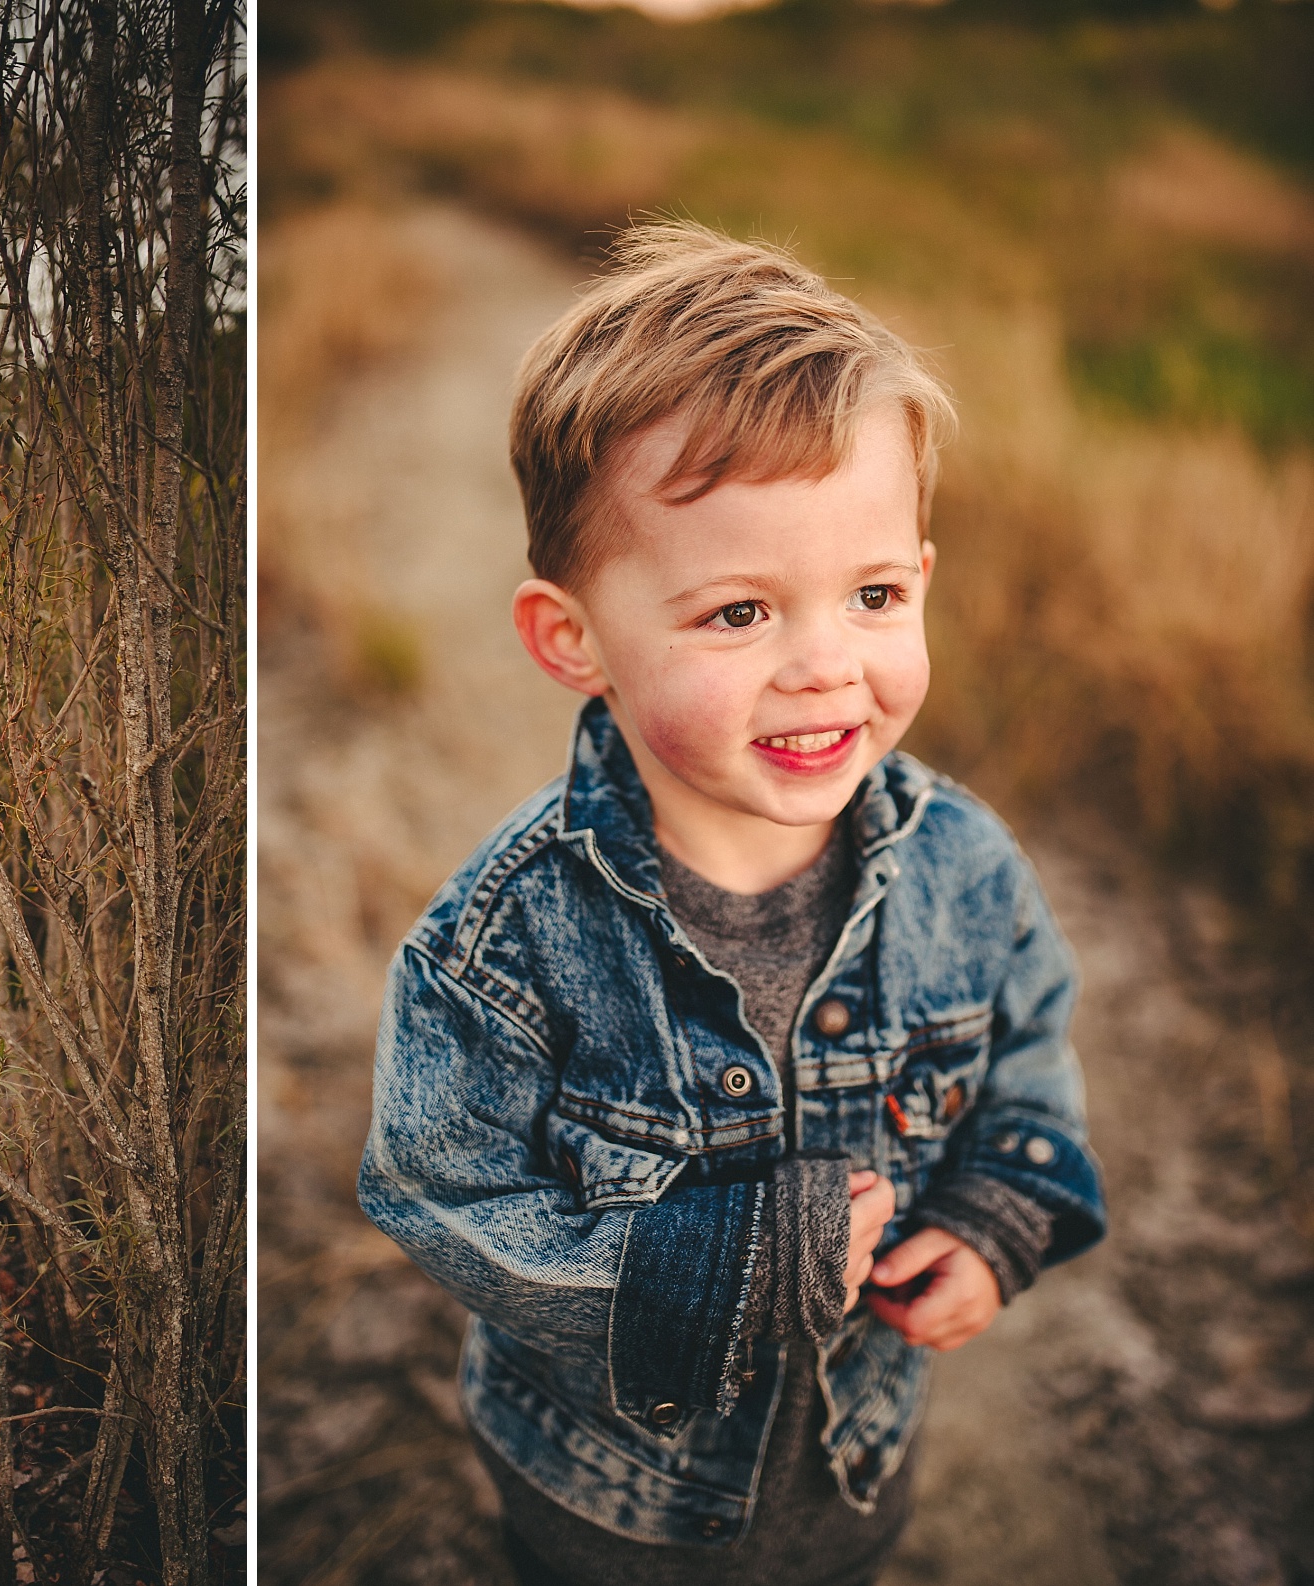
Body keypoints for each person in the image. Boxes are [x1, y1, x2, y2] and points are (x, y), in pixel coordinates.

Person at [356, 222, 1107, 1585]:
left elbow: (1031, 1058)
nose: (827, 664)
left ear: (920, 579)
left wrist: (998, 1213)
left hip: (854, 1472)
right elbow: (438, 1189)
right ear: (571, 637)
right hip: (603, 1509)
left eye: (872, 593)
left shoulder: (966, 867)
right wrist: (738, 1264)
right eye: (740, 614)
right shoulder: (508, 941)